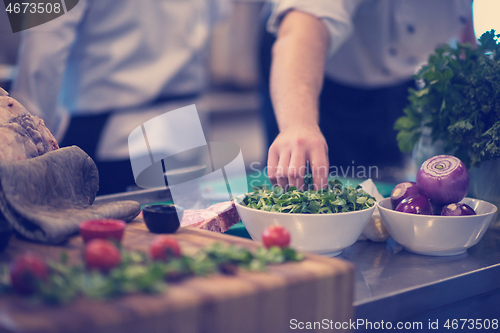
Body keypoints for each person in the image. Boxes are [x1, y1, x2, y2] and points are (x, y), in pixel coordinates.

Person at [12, 0, 228, 195]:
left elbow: (40, 62)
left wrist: (20, 148)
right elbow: (218, 15)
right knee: (183, 234)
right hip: (187, 133)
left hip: (111, 143)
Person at [263, 0, 477, 190]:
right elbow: (301, 33)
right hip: (312, 73)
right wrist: (298, 125)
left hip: (401, 78)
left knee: (380, 184)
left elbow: (462, 26)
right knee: (306, 180)